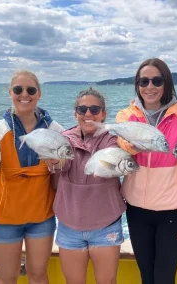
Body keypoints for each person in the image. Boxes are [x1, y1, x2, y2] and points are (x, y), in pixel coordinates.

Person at [115, 58, 177, 284]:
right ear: (137, 84)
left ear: (166, 83)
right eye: (144, 81)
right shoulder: (125, 117)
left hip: (172, 211)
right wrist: (134, 141)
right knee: (146, 275)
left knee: (164, 277)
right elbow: (123, 145)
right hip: (136, 210)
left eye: (157, 80)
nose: (150, 87)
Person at [0, 70, 64, 284]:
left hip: (41, 216)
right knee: (7, 278)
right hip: (4, 217)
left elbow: (65, 162)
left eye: (30, 90)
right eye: (18, 89)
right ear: (10, 93)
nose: (24, 94)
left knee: (38, 275)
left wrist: (58, 163)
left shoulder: (54, 129)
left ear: (39, 94)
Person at [47, 88, 126, 284]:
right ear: (75, 114)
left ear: (103, 114)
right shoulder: (64, 139)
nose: (88, 114)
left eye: (94, 109)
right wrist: (55, 162)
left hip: (105, 226)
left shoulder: (113, 139)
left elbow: (117, 158)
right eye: (82, 110)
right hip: (69, 225)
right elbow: (60, 164)